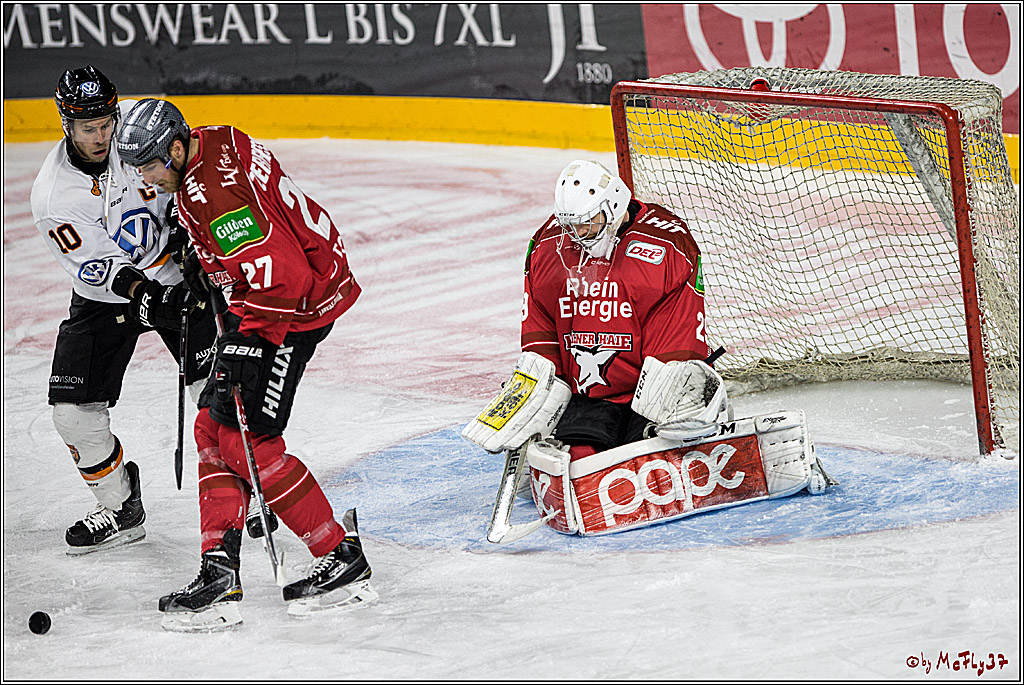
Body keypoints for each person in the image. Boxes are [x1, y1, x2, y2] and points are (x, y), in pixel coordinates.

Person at [115, 98, 375, 631]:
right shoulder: (212, 142)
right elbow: (256, 224)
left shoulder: (211, 190)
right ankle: (219, 569)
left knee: (247, 442)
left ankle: (339, 553)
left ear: (174, 148)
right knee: (210, 427)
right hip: (275, 295)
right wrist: (206, 255)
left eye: (148, 165)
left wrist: (248, 342)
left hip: (293, 309)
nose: (144, 178)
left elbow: (285, 277)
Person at [30, 65, 217, 556]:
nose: (101, 136)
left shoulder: (137, 130)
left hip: (173, 276)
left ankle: (250, 486)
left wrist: (190, 234)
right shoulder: (53, 196)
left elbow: (189, 168)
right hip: (106, 299)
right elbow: (102, 267)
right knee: (73, 416)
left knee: (216, 389)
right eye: (88, 128)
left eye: (106, 123)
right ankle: (120, 506)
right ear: (66, 125)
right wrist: (147, 296)